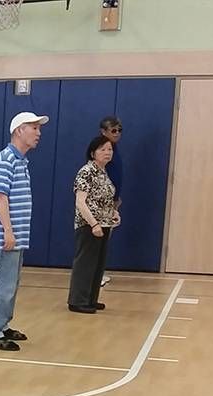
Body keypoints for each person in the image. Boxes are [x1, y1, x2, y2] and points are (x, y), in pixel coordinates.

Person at [0, 111, 46, 352]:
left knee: (11, 282)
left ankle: (3, 324)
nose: (38, 133)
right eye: (34, 128)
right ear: (19, 130)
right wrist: (7, 231)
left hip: (16, 236)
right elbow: (0, 196)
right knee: (2, 283)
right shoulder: (7, 159)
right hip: (6, 237)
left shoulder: (20, 160)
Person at [67, 136, 120, 313]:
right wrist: (94, 224)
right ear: (93, 153)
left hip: (105, 225)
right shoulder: (86, 171)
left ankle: (90, 298)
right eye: (103, 149)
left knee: (98, 264)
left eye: (110, 149)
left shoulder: (104, 173)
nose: (107, 152)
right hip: (89, 225)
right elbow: (81, 202)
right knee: (85, 263)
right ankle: (77, 300)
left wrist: (114, 213)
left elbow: (106, 200)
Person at [98, 116, 123, 287]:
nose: (117, 133)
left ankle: (99, 272)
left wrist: (116, 198)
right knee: (99, 239)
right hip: (102, 202)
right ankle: (95, 275)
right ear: (104, 132)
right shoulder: (102, 151)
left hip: (112, 201)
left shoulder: (115, 149)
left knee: (106, 239)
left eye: (119, 130)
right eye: (113, 130)